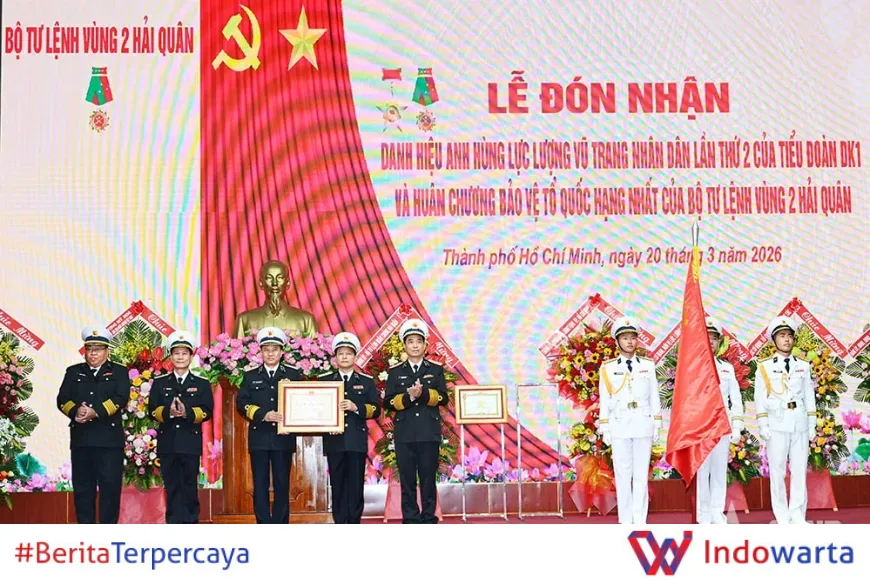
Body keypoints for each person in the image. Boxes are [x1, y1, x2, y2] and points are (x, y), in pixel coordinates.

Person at [56, 326, 129, 524]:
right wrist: (75, 411)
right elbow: (62, 399)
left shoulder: (119, 372)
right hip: (82, 440)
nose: (93, 353)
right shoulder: (73, 372)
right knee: (83, 491)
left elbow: (121, 398)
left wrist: (95, 412)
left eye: (98, 349)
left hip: (109, 442)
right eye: (89, 349)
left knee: (110, 491)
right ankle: (86, 535)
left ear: (107, 351)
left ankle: (107, 535)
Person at [597, 317, 662, 525]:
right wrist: (605, 427)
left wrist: (657, 422)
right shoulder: (607, 368)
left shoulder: (647, 365)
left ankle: (640, 519)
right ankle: (625, 520)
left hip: (643, 421)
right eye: (625, 338)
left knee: (641, 474)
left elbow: (654, 395)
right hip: (620, 423)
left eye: (633, 338)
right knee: (622, 474)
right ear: (617, 341)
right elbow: (604, 398)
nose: (630, 342)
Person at [384, 318, 448, 524]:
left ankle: (429, 517)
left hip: (429, 432)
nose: (414, 345)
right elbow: (388, 402)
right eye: (410, 341)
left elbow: (443, 398)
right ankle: (410, 518)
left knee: (428, 479)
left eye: (418, 341)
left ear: (425, 345)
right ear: (404, 345)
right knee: (407, 479)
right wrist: (409, 397)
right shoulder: (396, 372)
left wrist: (423, 394)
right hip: (405, 433)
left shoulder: (435, 370)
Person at [755, 316, 816, 524]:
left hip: (799, 422)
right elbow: (759, 398)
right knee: (777, 470)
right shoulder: (764, 367)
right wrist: (763, 424)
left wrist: (812, 423)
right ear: (774, 340)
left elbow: (809, 396)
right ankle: (781, 515)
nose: (787, 339)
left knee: (799, 469)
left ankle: (797, 513)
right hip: (777, 423)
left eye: (790, 335)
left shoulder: (803, 366)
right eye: (782, 336)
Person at [148, 331, 214, 524]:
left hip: (190, 443)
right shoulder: (160, 383)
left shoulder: (201, 384)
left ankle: (191, 524)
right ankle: (174, 525)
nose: (180, 357)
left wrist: (188, 413)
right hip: (168, 443)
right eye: (176, 353)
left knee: (189, 487)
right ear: (171, 356)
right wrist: (168, 412)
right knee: (172, 487)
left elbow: (207, 411)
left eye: (184, 353)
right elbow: (152, 410)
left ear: (191, 357)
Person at [236, 326, 301, 524]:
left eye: (274, 349)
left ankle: (281, 524)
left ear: (282, 352)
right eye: (266, 349)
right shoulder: (251, 376)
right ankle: (263, 524)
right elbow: (242, 403)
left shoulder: (294, 374)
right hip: (260, 438)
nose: (270, 353)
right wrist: (263, 415)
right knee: (260, 484)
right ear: (261, 352)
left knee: (282, 484)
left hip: (284, 438)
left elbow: (301, 403)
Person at [318, 332, 379, 523]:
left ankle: (353, 522)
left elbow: (376, 409)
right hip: (334, 440)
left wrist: (356, 407)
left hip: (355, 441)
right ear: (335, 357)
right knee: (337, 485)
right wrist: (327, 424)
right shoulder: (324, 380)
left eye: (348, 353)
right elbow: (318, 410)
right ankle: (339, 522)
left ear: (355, 356)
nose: (344, 357)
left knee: (355, 485)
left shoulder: (366, 381)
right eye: (341, 353)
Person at [696, 316, 744, 524]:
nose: (711, 342)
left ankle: (717, 511)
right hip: (701, 427)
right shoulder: (693, 368)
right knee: (702, 472)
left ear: (719, 342)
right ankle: (703, 513)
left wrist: (737, 425)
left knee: (718, 470)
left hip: (722, 425)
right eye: (707, 338)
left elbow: (736, 398)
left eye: (714, 338)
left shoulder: (727, 368)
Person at [232, 260, 317, 339]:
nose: (275, 283)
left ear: (287, 283)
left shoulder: (306, 320)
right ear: (261, 283)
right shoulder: (245, 320)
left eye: (280, 278)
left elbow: (315, 348)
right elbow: (236, 348)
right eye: (269, 278)